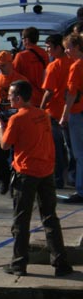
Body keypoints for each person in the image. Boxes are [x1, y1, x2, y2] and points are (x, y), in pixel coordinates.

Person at [0, 80, 73, 277]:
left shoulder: (17, 119)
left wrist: (0, 125)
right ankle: (60, 263)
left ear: (19, 98)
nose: (8, 98)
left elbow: (5, 145)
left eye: (11, 96)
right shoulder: (43, 115)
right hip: (46, 171)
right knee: (50, 218)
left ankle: (19, 263)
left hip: (26, 173)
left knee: (21, 220)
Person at [0, 51, 27, 194]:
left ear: (11, 63)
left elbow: (27, 103)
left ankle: (18, 181)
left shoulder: (21, 80)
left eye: (3, 65)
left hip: (18, 124)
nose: (0, 68)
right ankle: (4, 180)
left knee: (18, 155)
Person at [39, 34, 72, 189]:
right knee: (73, 148)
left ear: (59, 48)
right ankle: (73, 177)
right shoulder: (74, 62)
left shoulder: (53, 66)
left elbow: (49, 91)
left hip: (54, 112)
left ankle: (58, 179)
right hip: (72, 110)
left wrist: (41, 107)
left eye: (49, 47)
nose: (47, 50)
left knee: (57, 148)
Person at [60, 33, 83, 203]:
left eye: (68, 47)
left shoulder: (76, 66)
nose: (66, 51)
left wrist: (64, 115)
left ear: (76, 47)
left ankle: (81, 190)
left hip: (78, 113)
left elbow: (71, 94)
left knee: (79, 154)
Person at [12, 26, 48, 106]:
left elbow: (13, 74)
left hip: (27, 97)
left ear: (26, 40)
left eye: (22, 38)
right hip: (42, 95)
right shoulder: (44, 54)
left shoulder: (20, 56)